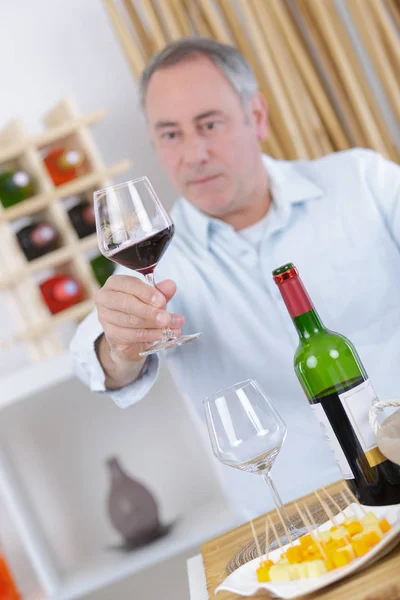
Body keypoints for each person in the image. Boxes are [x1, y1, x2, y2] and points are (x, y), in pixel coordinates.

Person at [70, 37, 400, 520]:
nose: (193, 153)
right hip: (301, 528)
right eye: (170, 134)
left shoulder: (361, 182)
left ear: (258, 116)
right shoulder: (156, 265)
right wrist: (120, 347)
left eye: (208, 124)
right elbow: (94, 357)